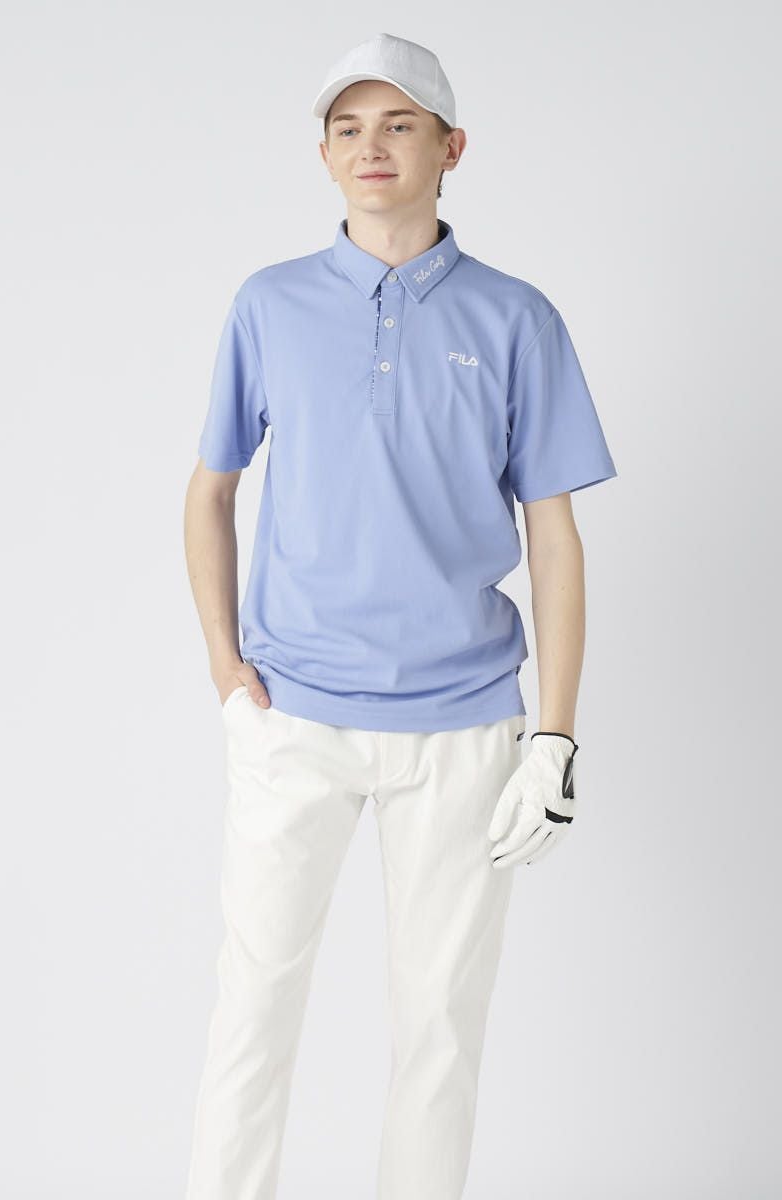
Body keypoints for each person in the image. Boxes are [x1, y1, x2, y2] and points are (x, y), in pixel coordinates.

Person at [181, 31, 617, 1200]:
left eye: (399, 125)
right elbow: (210, 491)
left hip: (463, 725)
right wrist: (227, 673)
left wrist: (554, 735)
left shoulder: (518, 319)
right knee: (252, 1011)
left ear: (450, 147)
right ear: (323, 153)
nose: (370, 147)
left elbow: (554, 536)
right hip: (294, 717)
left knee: (439, 1030)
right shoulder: (268, 305)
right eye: (347, 128)